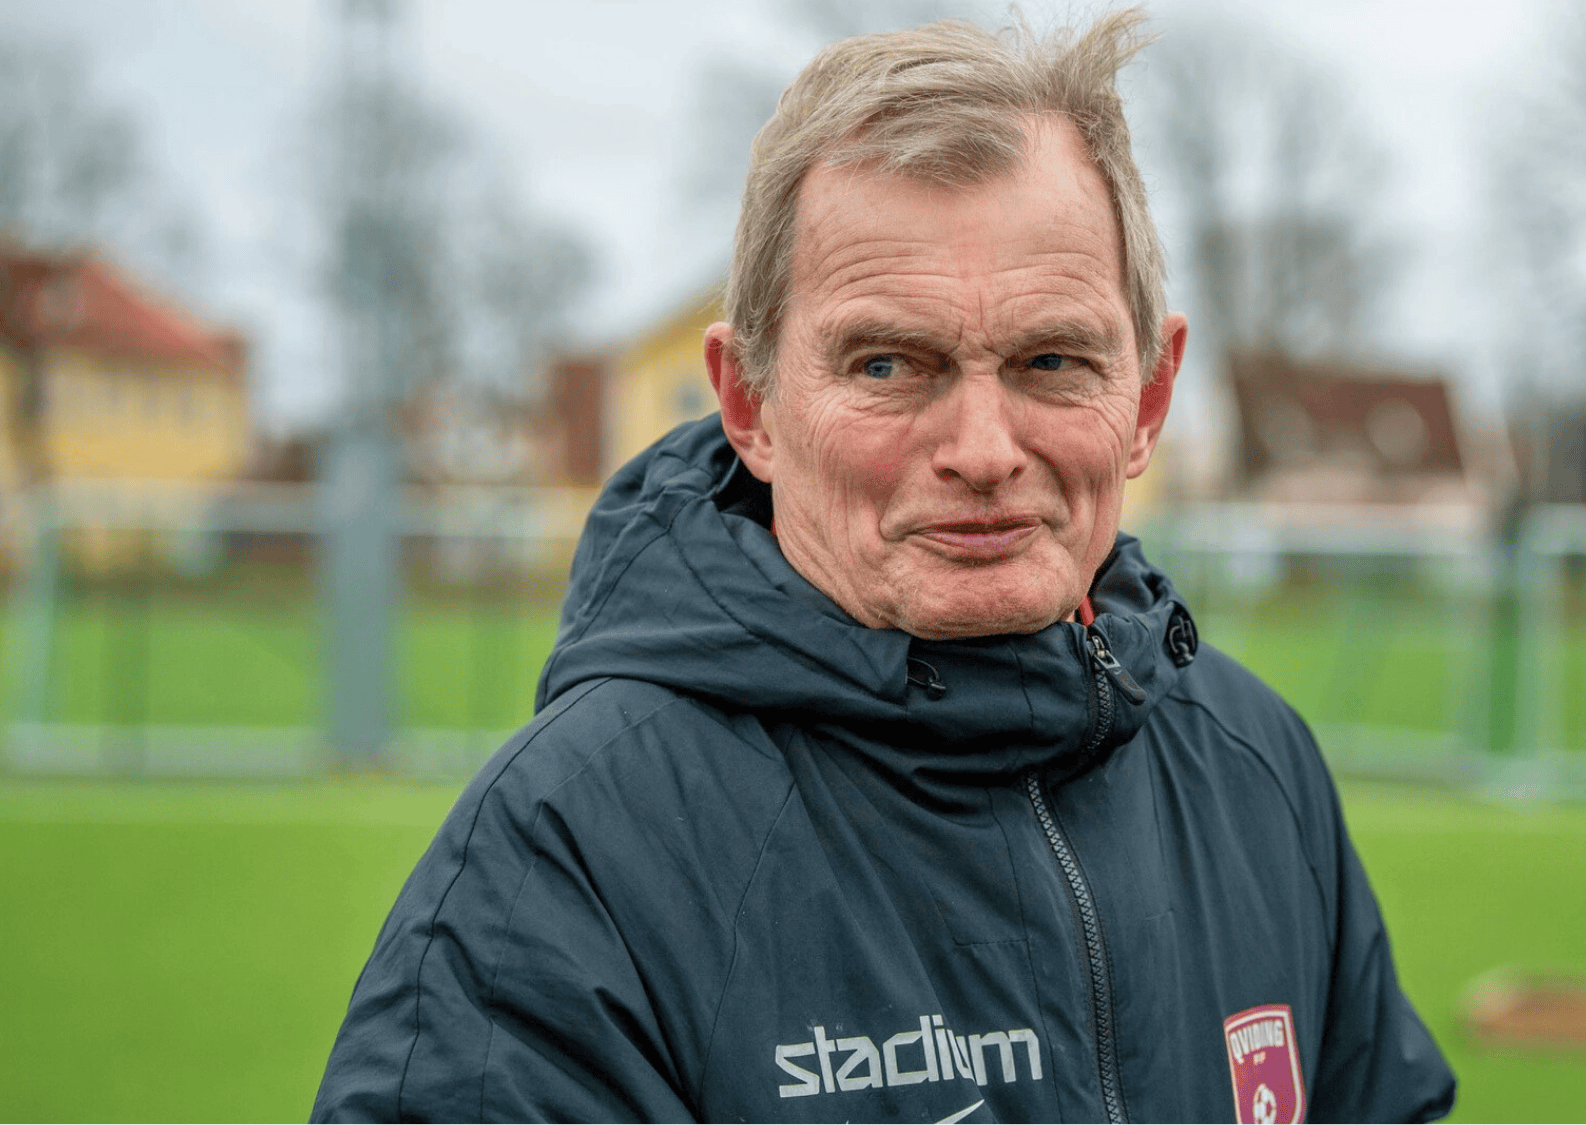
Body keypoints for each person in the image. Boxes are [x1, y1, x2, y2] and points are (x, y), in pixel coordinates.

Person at [311, 10, 1454, 1123]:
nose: (982, 452)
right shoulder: (572, 849)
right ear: (749, 404)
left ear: (1148, 399)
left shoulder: (1253, 767)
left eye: (1051, 360)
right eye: (886, 365)